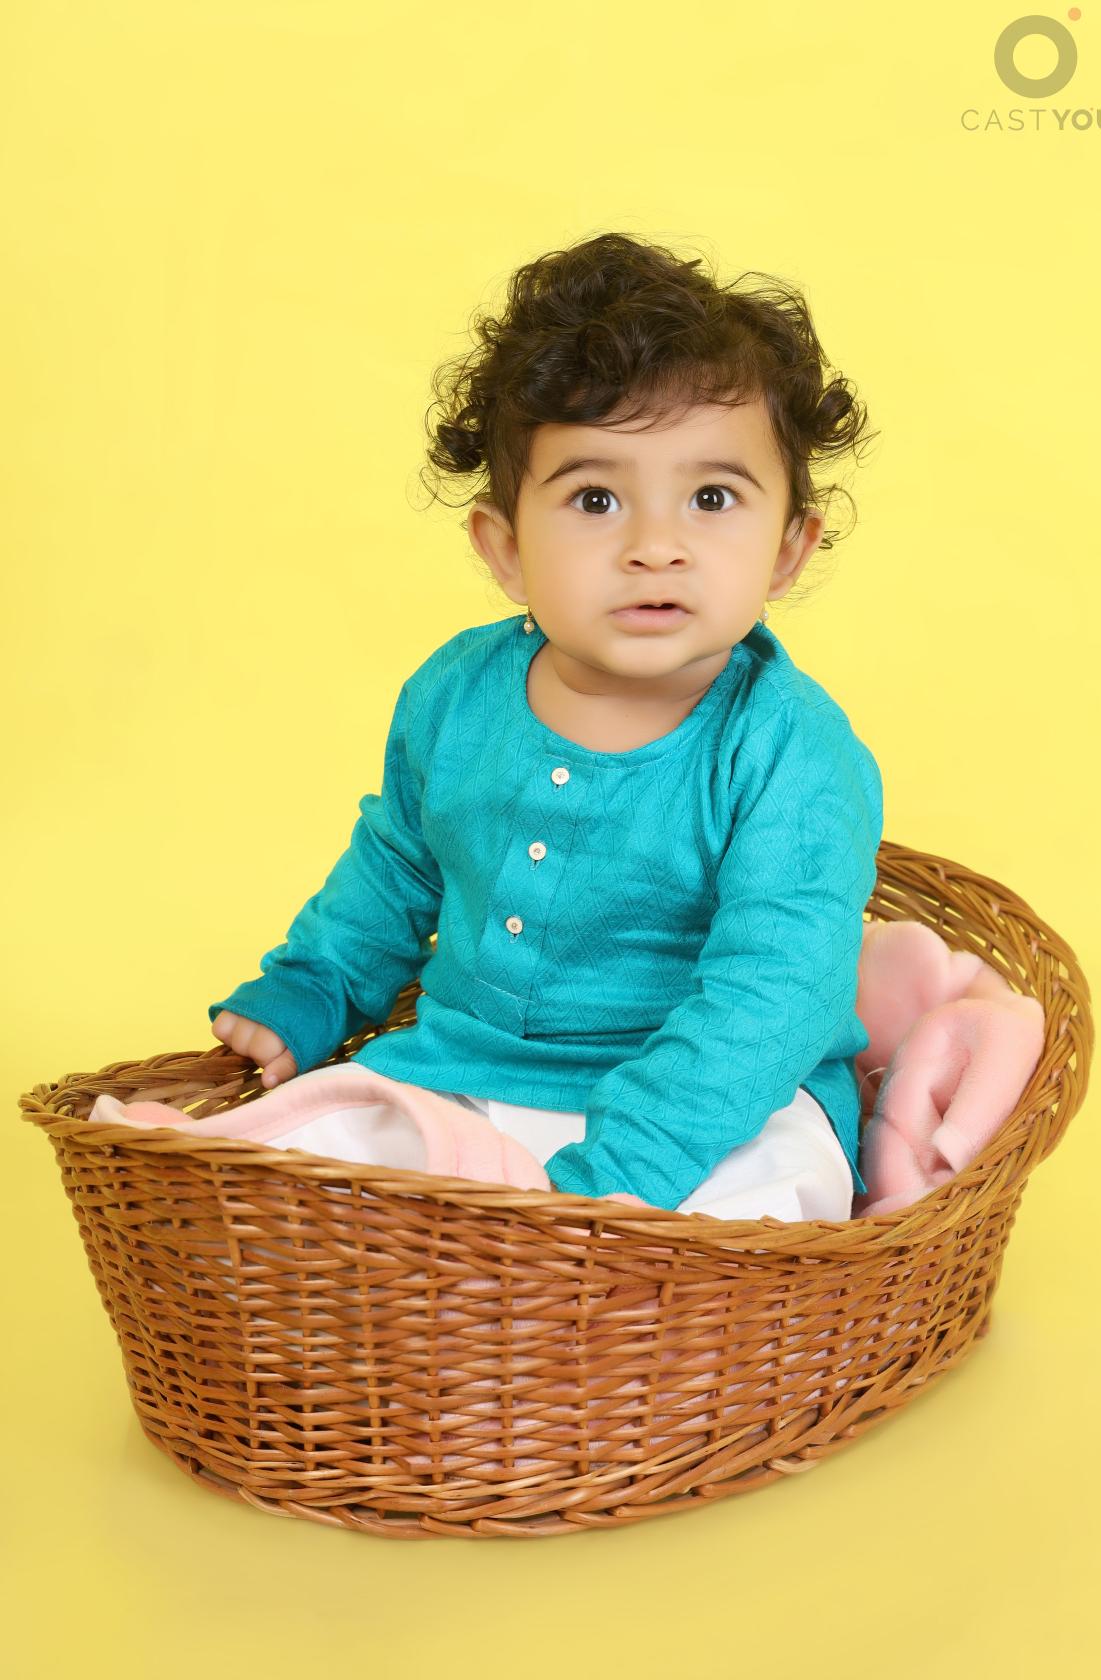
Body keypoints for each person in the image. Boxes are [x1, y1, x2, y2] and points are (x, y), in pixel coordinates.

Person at [208, 231, 884, 1221]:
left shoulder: (790, 752)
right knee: (286, 1164)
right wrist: (313, 990)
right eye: (596, 498)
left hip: (715, 1110)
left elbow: (774, 994)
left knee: (768, 1200)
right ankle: (452, 1271)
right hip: (463, 1077)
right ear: (507, 548)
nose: (655, 547)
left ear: (787, 551)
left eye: (710, 497)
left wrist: (625, 1169)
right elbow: (397, 866)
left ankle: (570, 1280)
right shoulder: (457, 693)